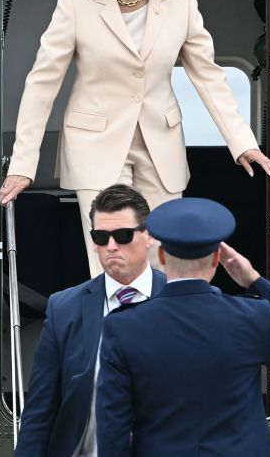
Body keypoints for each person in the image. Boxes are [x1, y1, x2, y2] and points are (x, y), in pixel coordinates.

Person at [0, 0, 270, 275]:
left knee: (163, 258)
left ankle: (158, 331)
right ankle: (114, 331)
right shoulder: (76, 1)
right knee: (111, 259)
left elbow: (207, 74)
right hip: (95, 143)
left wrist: (242, 141)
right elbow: (42, 83)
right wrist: (22, 165)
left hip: (160, 143)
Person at [95, 198, 270, 456]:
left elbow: (113, 426)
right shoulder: (251, 316)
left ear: (161, 256)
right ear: (217, 258)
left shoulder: (123, 327)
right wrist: (255, 281)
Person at [15, 184, 167, 457]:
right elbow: (40, 409)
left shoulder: (181, 300)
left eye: (122, 235)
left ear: (149, 236)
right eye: (101, 237)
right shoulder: (64, 308)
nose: (111, 246)